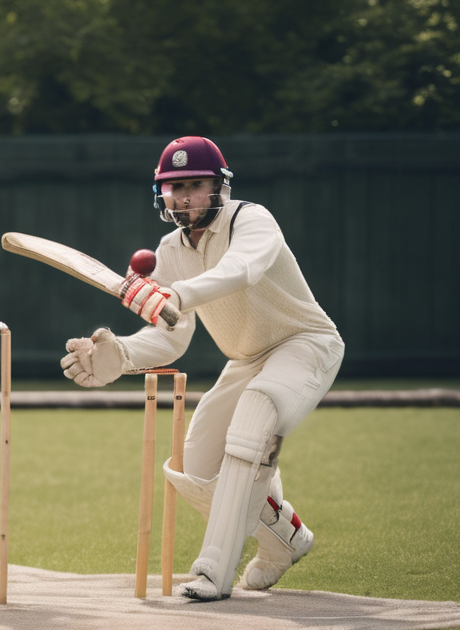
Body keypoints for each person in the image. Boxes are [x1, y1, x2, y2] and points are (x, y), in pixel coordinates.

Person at [59, 136, 344, 601]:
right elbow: (173, 334)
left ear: (219, 186)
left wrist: (176, 294)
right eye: (175, 187)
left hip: (306, 343)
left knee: (254, 418)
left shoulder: (252, 219)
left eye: (195, 184)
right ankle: (285, 539)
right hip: (248, 359)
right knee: (195, 469)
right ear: (162, 194)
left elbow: (241, 269)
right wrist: (122, 355)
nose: (185, 195)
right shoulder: (169, 249)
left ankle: (213, 571)